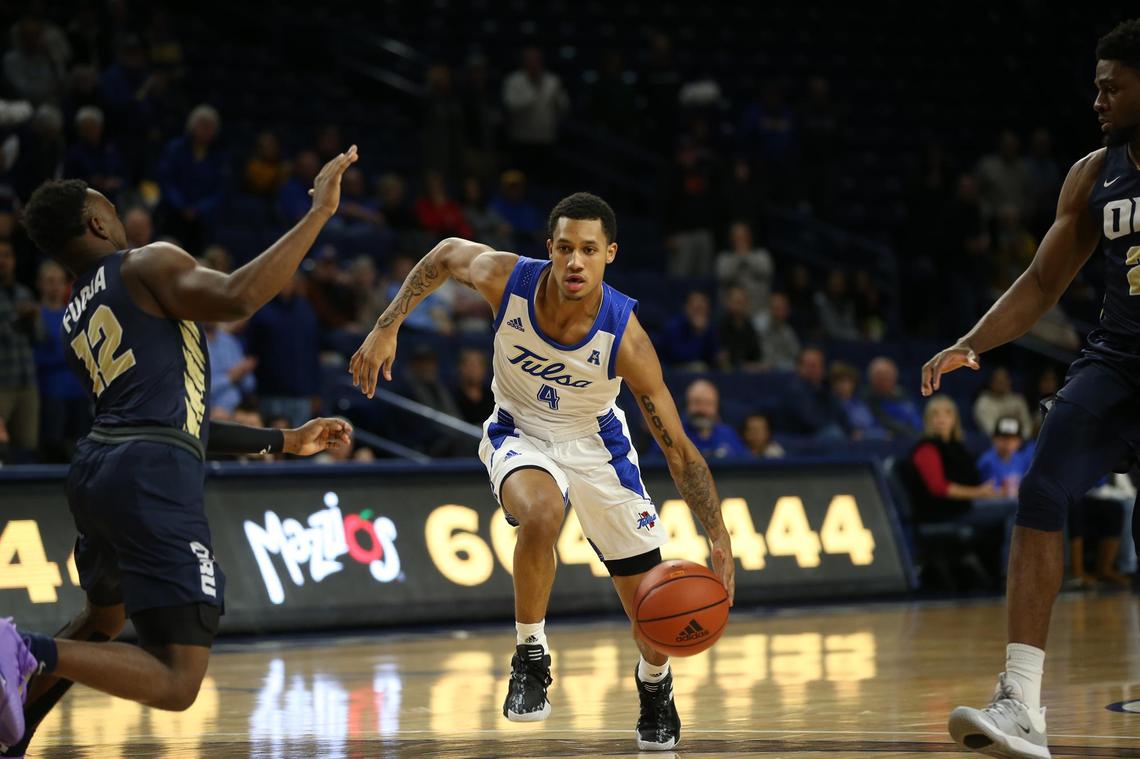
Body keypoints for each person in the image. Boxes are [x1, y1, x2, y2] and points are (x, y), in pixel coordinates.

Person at [0, 146, 359, 755]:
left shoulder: (74, 315)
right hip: (148, 474)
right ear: (96, 224)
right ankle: (23, 650)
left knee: (104, 622)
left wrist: (283, 440)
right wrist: (319, 213)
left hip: (97, 469)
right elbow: (239, 297)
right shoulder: (146, 262)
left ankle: (10, 729)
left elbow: (179, 417)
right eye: (112, 209)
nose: (121, 218)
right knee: (177, 680)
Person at [349, 192, 735, 751]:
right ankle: (530, 656)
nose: (575, 261)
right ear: (549, 249)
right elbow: (444, 253)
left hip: (597, 446)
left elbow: (678, 449)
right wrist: (389, 324)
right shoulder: (508, 281)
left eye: (588, 250)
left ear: (610, 254)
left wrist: (717, 535)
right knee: (542, 513)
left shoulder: (624, 338)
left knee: (648, 600)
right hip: (519, 431)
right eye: (565, 248)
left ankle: (655, 683)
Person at [922, 20, 1140, 758]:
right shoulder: (1094, 173)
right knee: (1042, 488)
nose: (1099, 100)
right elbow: (1044, 280)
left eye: (1113, 86)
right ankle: (1021, 701)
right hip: (1115, 360)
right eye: (1096, 86)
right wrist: (970, 342)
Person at [0, 239, 42, 459]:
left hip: (27, 383)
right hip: (2, 383)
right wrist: (20, 319)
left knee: (26, 446)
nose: (3, 261)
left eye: (7, 255)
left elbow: (39, 338)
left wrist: (33, 322)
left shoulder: (24, 293)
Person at [976, 416, 1032, 498]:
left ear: (1019, 441)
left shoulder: (1021, 460)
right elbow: (983, 492)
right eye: (1004, 438)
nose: (1008, 442)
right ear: (994, 439)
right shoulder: (986, 461)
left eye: (1013, 438)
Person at [973, 366, 1033, 440]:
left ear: (1010, 381)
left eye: (1004, 379)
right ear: (991, 382)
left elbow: (1027, 426)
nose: (1001, 383)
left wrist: (1019, 441)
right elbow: (989, 430)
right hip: (994, 444)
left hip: (1019, 442)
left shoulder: (1018, 400)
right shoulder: (983, 402)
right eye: (998, 380)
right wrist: (1006, 441)